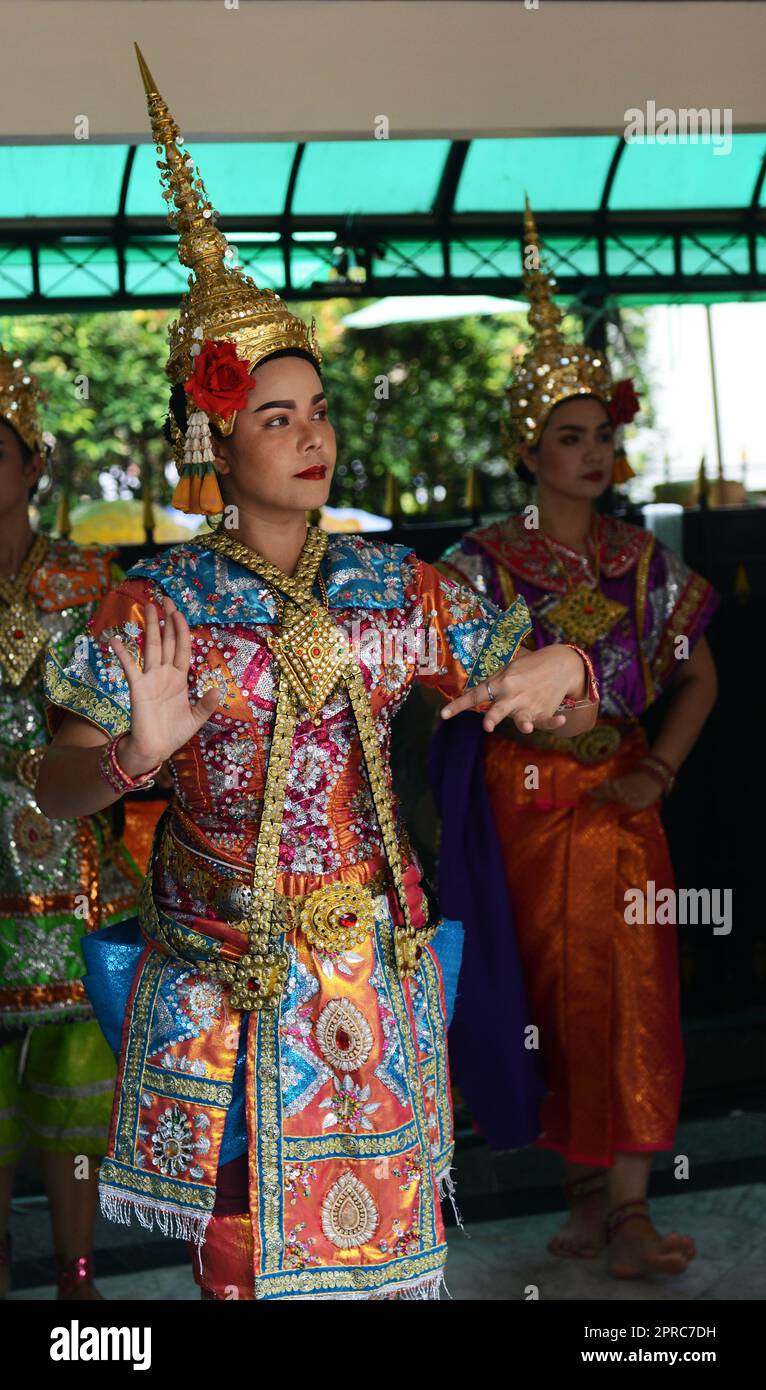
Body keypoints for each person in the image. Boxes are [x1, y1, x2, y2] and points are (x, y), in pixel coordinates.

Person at [36, 51, 597, 1302]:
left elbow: (563, 701)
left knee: (382, 1263)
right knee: (241, 1260)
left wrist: (563, 671)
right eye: (276, 416)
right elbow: (48, 784)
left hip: (367, 975)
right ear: (215, 437)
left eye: (319, 409)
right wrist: (131, 755)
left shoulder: (395, 584)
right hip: (222, 984)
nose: (312, 435)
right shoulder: (156, 604)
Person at [434, 200, 719, 1280]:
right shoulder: (476, 566)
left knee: (636, 994)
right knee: (543, 998)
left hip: (620, 812)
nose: (594, 452)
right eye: (570, 436)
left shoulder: (643, 562)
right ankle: (587, 1196)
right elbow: (449, 691)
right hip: (523, 815)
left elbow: (701, 676)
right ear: (527, 449)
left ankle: (634, 1207)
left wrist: (659, 767)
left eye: (602, 434)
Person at [0, 345, 145, 1299]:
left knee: (78, 1086)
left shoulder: (95, 584)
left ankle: (78, 1279)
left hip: (79, 869)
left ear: (35, 463)